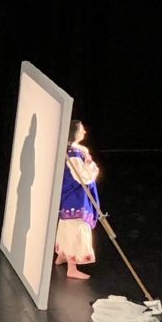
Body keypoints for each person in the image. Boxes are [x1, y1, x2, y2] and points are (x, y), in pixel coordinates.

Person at [55, 120, 100, 280]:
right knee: (75, 229)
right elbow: (82, 177)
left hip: (72, 196)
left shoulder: (76, 151)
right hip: (75, 198)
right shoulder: (73, 155)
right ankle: (72, 267)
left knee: (68, 227)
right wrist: (91, 167)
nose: (85, 132)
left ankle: (62, 255)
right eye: (82, 129)